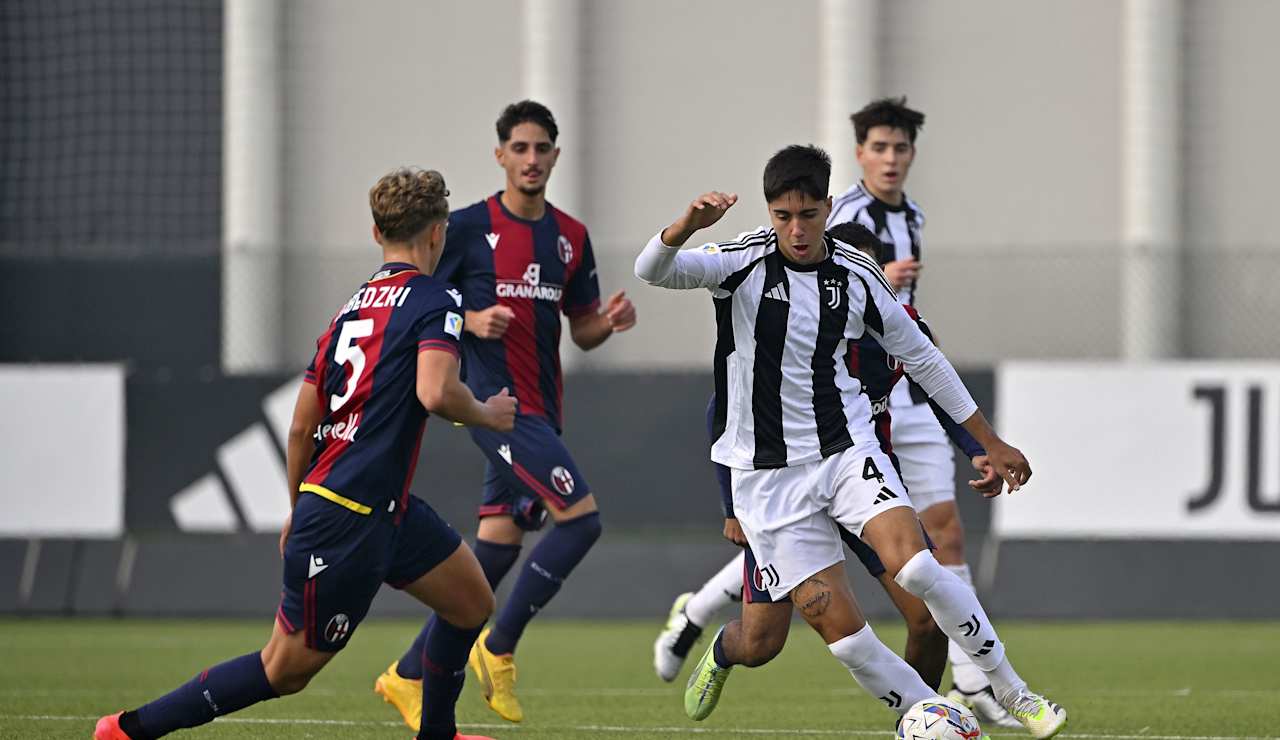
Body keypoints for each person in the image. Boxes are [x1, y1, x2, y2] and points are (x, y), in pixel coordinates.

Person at [634, 144, 1067, 739]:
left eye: (808, 214)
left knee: (918, 569)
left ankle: (1015, 693)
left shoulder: (856, 275)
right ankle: (926, 713)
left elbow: (923, 357)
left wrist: (988, 441)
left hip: (844, 452)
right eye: (783, 216)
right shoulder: (740, 263)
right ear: (769, 212)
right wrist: (686, 226)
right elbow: (651, 271)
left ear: (827, 208)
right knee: (821, 636)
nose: (797, 229)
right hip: (767, 482)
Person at [94, 167, 517, 740]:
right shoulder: (436, 298)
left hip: (378, 507)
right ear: (439, 233)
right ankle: (128, 729)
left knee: (470, 602)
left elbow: (300, 428)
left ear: (376, 233)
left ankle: (436, 735)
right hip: (348, 515)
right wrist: (488, 412)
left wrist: (297, 503)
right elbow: (436, 391)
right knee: (283, 669)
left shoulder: (351, 310)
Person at [375, 101, 636, 730]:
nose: (531, 159)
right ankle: (501, 644)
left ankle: (408, 675)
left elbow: (583, 329)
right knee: (582, 522)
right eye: (519, 148)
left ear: (554, 155)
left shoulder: (570, 235)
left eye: (542, 148)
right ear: (500, 155)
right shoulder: (463, 228)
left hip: (543, 410)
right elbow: (408, 293)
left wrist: (609, 323)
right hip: (498, 410)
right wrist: (465, 319)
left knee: (495, 551)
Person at [653, 223, 999, 696]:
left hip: (857, 475)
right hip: (784, 481)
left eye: (865, 269)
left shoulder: (898, 328)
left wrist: (980, 448)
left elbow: (935, 385)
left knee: (927, 614)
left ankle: (925, 717)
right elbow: (724, 411)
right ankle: (719, 645)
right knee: (761, 642)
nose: (841, 284)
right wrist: (730, 506)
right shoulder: (794, 333)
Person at [828, 97, 1017, 726]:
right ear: (860, 154)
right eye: (878, 147)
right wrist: (879, 273)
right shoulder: (844, 216)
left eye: (900, 148)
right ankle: (697, 616)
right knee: (812, 546)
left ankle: (971, 683)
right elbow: (825, 291)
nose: (890, 158)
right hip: (850, 404)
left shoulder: (913, 215)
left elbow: (913, 332)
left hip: (906, 391)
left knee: (945, 534)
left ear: (911, 155)